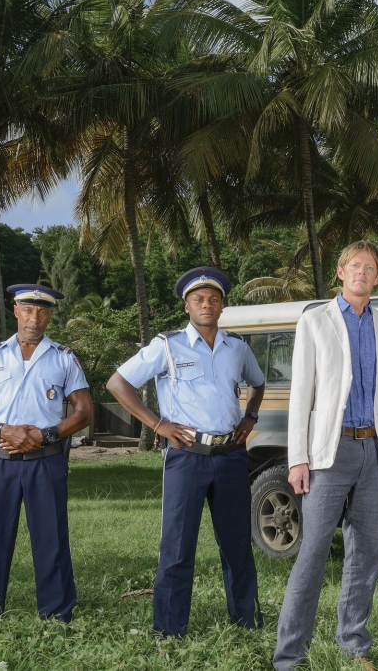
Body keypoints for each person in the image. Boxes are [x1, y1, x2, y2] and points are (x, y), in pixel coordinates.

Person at [273, 241, 378, 671]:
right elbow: (302, 396)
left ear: (377, 277)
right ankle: (290, 655)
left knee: (367, 553)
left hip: (376, 451)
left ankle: (354, 643)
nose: (363, 273)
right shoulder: (315, 321)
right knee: (312, 551)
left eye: (371, 268)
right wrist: (298, 458)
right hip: (329, 453)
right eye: (356, 266)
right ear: (340, 271)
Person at [107, 267, 267, 637]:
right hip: (186, 456)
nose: (206, 305)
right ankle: (169, 629)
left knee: (237, 543)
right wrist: (157, 424)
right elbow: (118, 382)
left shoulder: (237, 348)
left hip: (229, 456)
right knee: (178, 547)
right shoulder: (167, 345)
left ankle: (246, 621)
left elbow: (258, 384)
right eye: (198, 299)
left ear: (222, 306)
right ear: (187, 306)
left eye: (213, 299)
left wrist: (251, 416)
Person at [0, 284, 93, 633]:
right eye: (28, 310)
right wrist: (4, 430)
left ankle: (57, 618)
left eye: (43, 311)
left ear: (50, 315)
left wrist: (44, 435)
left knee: (51, 541)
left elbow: (83, 412)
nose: (35, 318)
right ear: (16, 311)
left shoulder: (64, 357)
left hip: (46, 461)